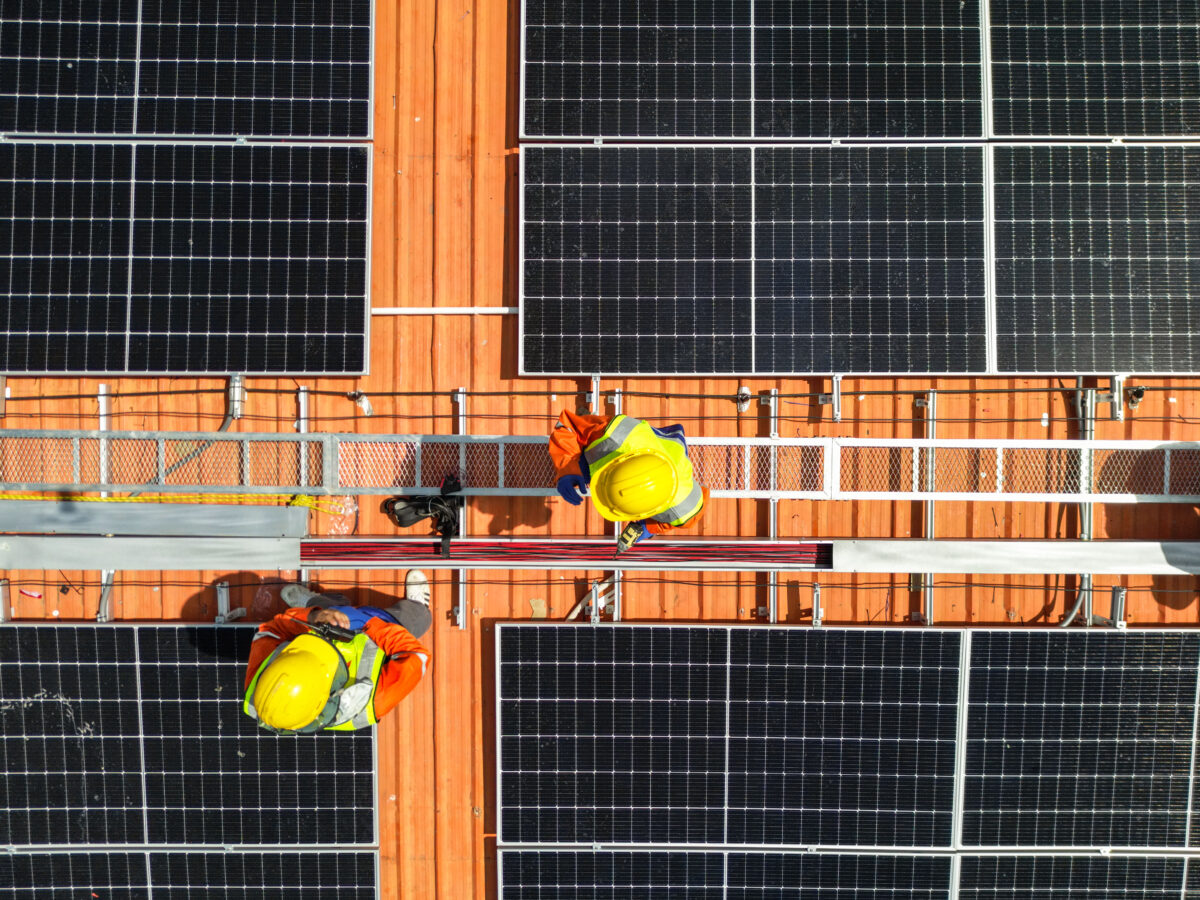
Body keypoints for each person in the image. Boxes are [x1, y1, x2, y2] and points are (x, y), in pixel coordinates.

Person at [242, 571, 432, 733]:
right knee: (419, 619)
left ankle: (317, 603)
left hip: (323, 624)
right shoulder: (371, 701)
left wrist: (313, 616)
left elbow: (271, 629)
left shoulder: (261, 690)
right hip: (378, 635)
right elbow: (416, 656)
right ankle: (418, 606)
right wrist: (370, 624)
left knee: (323, 608)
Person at [548, 409, 709, 548]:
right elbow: (567, 426)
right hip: (634, 443)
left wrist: (648, 527)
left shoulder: (684, 508)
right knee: (586, 456)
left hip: (670, 455)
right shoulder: (614, 435)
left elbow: (688, 516)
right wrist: (567, 467)